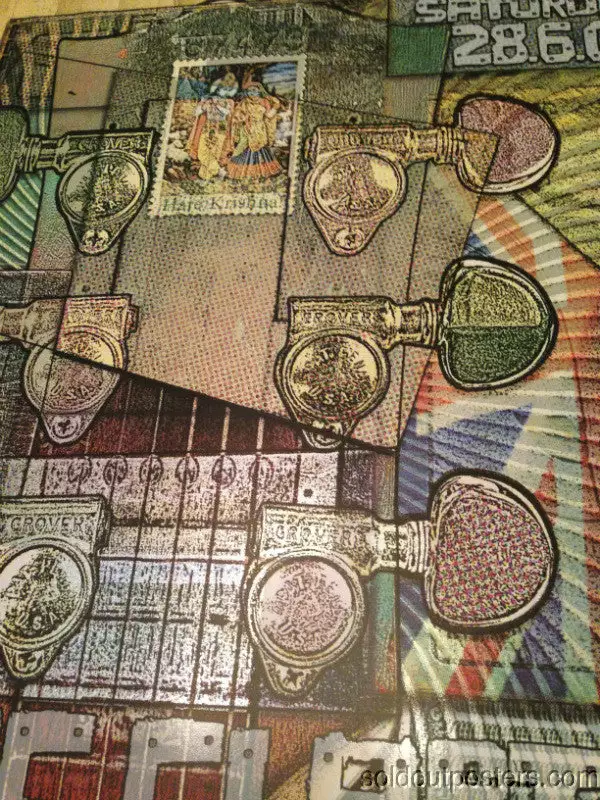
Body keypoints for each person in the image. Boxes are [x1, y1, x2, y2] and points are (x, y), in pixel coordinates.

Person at [226, 66, 284, 181]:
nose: (252, 93)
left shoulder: (264, 102)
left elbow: (269, 116)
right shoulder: (244, 102)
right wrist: (244, 119)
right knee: (243, 148)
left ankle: (261, 172)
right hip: (247, 130)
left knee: (260, 150)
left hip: (260, 130)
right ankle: (239, 171)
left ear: (259, 91)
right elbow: (237, 116)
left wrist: (275, 107)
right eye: (250, 91)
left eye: (255, 91)